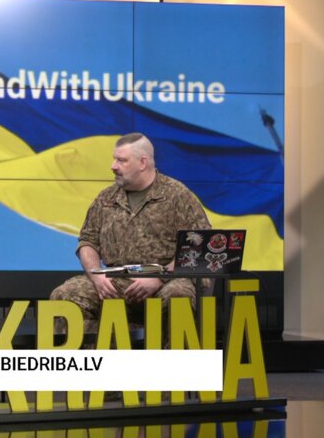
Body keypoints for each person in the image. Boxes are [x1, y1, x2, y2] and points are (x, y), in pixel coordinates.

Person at [50, 132, 211, 333]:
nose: (113, 166)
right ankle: (102, 352)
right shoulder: (106, 199)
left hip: (166, 281)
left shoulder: (177, 196)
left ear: (142, 163)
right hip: (116, 283)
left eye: (121, 160)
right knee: (65, 295)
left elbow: (201, 245)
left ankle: (169, 354)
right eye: (114, 159)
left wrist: (160, 277)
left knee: (178, 297)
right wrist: (97, 277)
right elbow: (87, 242)